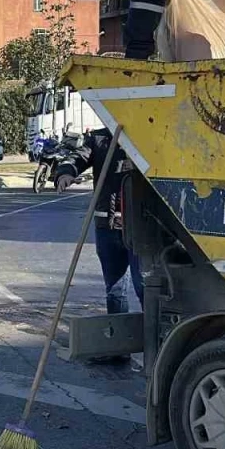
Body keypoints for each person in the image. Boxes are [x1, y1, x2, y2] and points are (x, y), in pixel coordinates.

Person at [55, 127, 145, 315]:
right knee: (115, 290)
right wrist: (66, 173)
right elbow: (77, 157)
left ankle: (156, 339)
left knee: (144, 288)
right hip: (107, 227)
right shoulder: (99, 138)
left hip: (141, 229)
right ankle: (119, 337)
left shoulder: (146, 133)